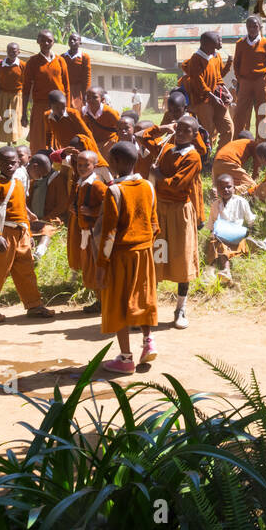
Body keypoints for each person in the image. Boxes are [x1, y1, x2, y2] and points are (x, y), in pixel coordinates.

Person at [96, 142, 161, 374]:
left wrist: (102, 265)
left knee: (119, 303)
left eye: (111, 161)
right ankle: (148, 342)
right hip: (144, 252)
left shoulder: (113, 191)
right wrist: (145, 245)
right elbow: (155, 224)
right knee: (143, 296)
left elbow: (109, 233)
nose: (109, 164)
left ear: (119, 163)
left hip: (121, 255)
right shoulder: (148, 186)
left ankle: (125, 359)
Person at [0, 146, 56, 322]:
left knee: (26, 270)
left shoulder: (19, 184)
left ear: (19, 163)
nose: (10, 166)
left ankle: (34, 305)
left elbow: (22, 213)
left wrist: (27, 232)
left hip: (21, 233)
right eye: (5, 163)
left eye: (13, 163)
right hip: (4, 233)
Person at [153, 115, 203, 329]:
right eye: (178, 128)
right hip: (160, 210)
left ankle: (180, 307)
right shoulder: (166, 149)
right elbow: (143, 139)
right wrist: (162, 128)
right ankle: (149, 306)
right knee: (157, 256)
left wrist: (157, 175)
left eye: (186, 130)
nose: (180, 133)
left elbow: (177, 185)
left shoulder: (193, 157)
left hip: (180, 212)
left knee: (182, 258)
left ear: (194, 135)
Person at [182, 30, 235, 153]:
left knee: (228, 128)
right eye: (218, 40)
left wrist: (227, 91)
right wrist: (211, 96)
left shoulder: (216, 56)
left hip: (216, 97)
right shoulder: (196, 59)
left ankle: (220, 156)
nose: (221, 43)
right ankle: (206, 158)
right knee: (208, 131)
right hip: (203, 100)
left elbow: (218, 77)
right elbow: (198, 81)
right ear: (208, 43)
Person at [68, 150, 108, 313]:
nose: (82, 168)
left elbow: (109, 205)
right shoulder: (80, 182)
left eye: (87, 165)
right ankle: (100, 300)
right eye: (79, 165)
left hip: (95, 233)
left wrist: (93, 212)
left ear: (95, 166)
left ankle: (105, 302)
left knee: (98, 268)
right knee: (90, 268)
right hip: (85, 232)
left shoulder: (97, 185)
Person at [22, 30, 71, 152]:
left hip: (59, 108)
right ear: (38, 41)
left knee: (59, 137)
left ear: (53, 42)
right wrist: (24, 113)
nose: (46, 43)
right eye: (43, 40)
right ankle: (39, 164)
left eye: (49, 40)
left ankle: (58, 164)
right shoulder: (33, 62)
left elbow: (67, 87)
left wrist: (67, 109)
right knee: (39, 139)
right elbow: (26, 89)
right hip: (40, 106)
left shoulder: (60, 61)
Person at [232, 15, 266, 141]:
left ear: (260, 27)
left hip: (261, 81)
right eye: (249, 26)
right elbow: (236, 63)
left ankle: (263, 142)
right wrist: (240, 79)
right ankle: (237, 140)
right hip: (245, 82)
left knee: (263, 112)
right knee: (240, 112)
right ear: (246, 27)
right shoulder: (241, 43)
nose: (252, 29)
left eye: (255, 26)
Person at [206, 173, 256, 284]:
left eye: (229, 186)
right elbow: (211, 225)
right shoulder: (215, 205)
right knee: (216, 244)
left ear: (234, 187)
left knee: (227, 246)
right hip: (220, 237)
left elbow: (251, 220)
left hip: (236, 237)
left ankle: (224, 270)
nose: (226, 190)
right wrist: (213, 233)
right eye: (222, 188)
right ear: (218, 190)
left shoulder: (241, 202)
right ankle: (218, 271)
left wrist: (250, 233)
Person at [24, 151, 71, 258]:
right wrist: (29, 215)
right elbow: (26, 200)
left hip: (50, 217)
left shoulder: (57, 179)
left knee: (47, 230)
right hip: (32, 216)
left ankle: (39, 253)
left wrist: (45, 219)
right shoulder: (32, 178)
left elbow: (62, 205)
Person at [0, 42, 26, 143]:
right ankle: (7, 141)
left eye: (14, 51)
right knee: (5, 117)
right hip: (3, 95)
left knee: (14, 118)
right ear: (6, 51)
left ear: (18, 52)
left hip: (16, 96)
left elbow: (26, 81)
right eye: (9, 51)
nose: (12, 53)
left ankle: (13, 139)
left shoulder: (22, 65)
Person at [80, 87, 120, 156]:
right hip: (94, 142)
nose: (90, 100)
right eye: (88, 97)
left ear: (102, 99)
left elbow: (121, 126)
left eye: (95, 97)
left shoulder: (109, 112)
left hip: (109, 141)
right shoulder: (84, 112)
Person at [62, 34, 92, 110]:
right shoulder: (62, 57)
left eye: (75, 40)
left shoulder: (84, 57)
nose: (72, 41)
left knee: (78, 111)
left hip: (78, 91)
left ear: (80, 43)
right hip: (65, 89)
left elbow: (87, 76)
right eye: (70, 39)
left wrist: (86, 93)